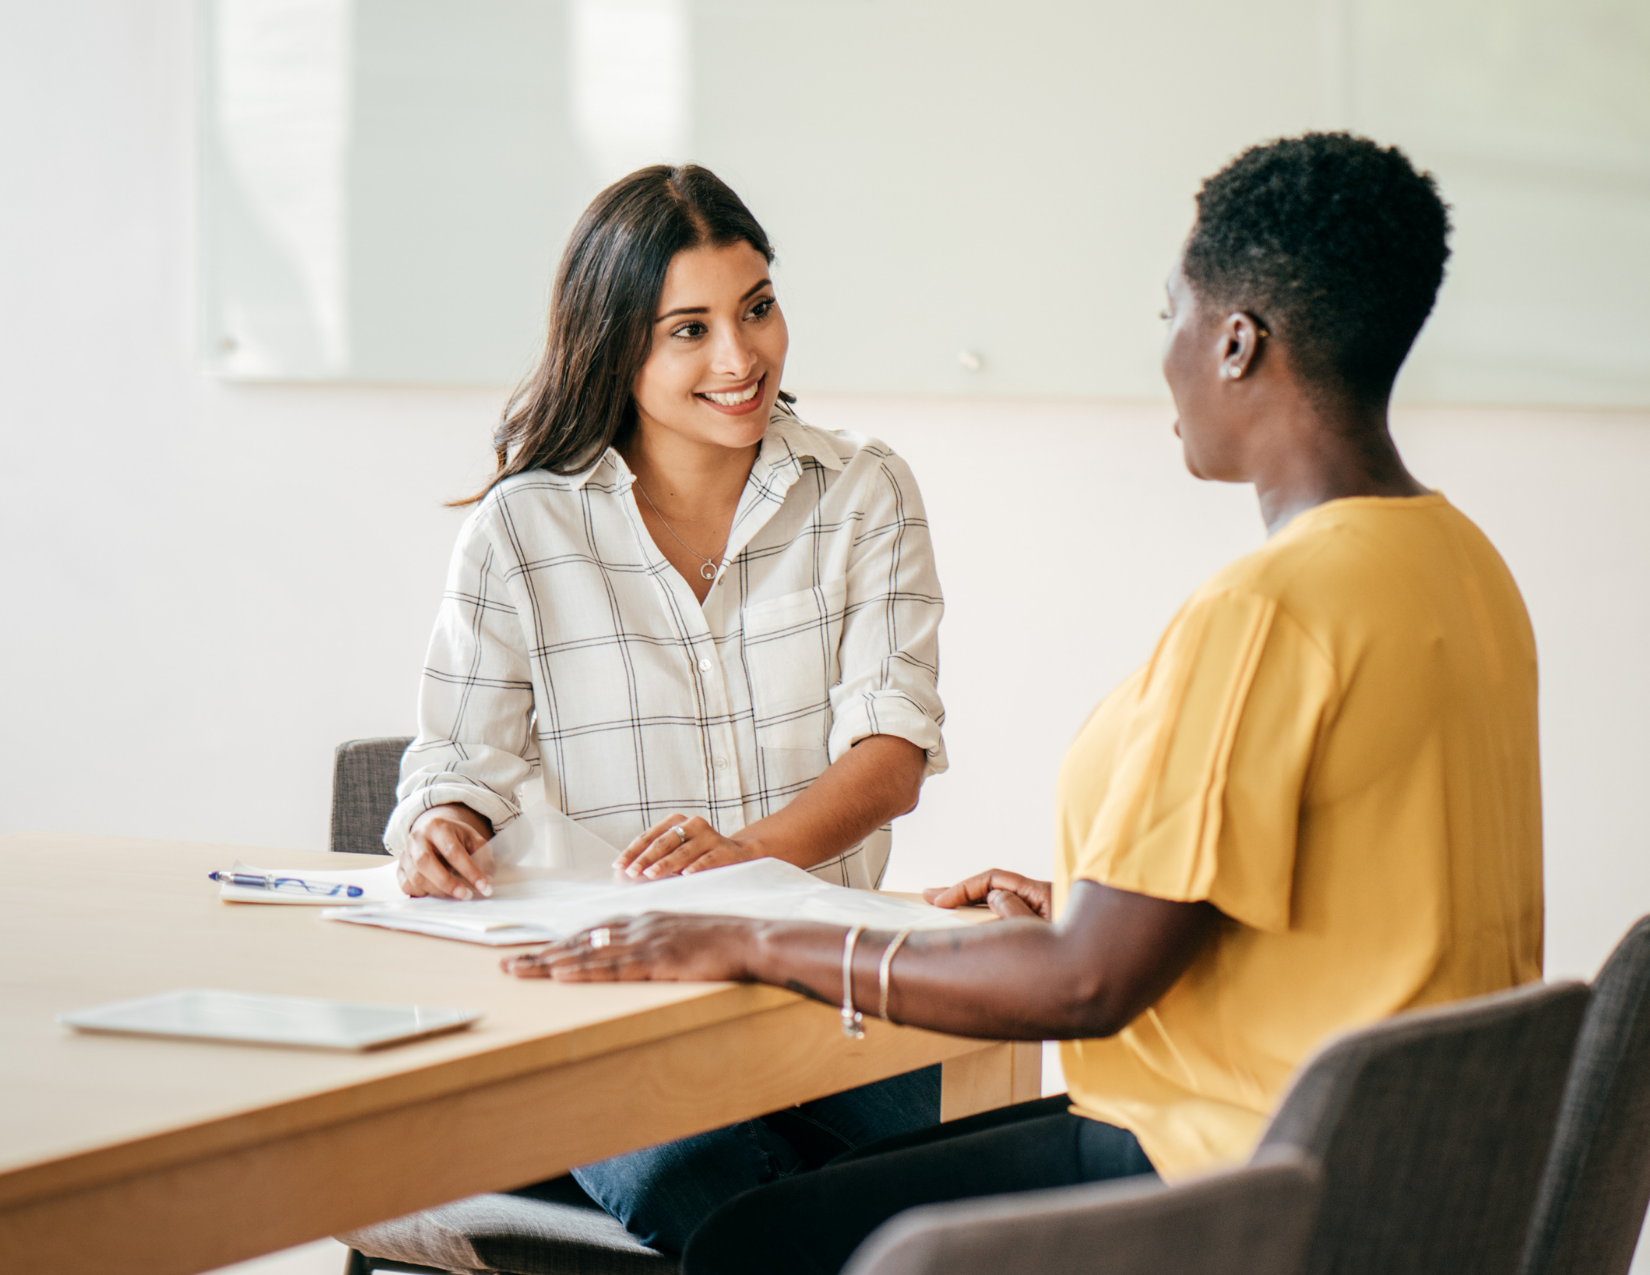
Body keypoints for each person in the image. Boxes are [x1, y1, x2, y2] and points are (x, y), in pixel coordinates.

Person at [504, 133, 1545, 1275]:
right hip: (1398, 1181)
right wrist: (1092, 904)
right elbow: (1366, 901)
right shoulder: (1461, 567)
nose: (1169, 359)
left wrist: (760, 935)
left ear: (1238, 342)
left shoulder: (1269, 613)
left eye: (1174, 319)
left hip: (1229, 1180)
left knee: (750, 1241)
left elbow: (1088, 985)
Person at [383, 165, 948, 1252]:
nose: (740, 358)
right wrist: (442, 827)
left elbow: (891, 755)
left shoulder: (863, 491)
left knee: (957, 1174)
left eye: (757, 308)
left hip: (827, 1005)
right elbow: (454, 763)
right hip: (609, 1021)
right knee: (723, 1191)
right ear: (615, 346)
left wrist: (737, 864)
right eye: (688, 329)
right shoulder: (522, 530)